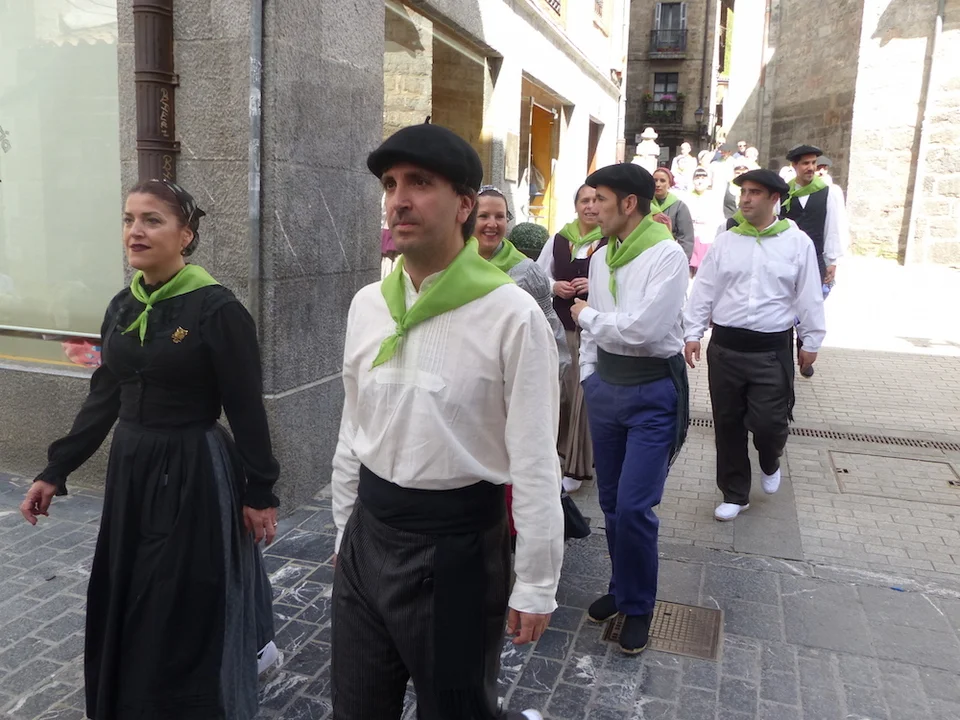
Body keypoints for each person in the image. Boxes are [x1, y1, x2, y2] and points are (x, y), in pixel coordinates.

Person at [19, 179, 279, 720]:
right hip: (133, 466)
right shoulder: (123, 305)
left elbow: (245, 407)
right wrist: (56, 469)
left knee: (185, 595)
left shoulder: (217, 309)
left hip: (193, 467)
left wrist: (260, 491)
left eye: (152, 220)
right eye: (129, 219)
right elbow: (104, 394)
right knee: (134, 587)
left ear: (185, 235)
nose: (135, 231)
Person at [330, 123, 563, 720]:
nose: (398, 199)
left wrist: (537, 581)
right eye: (390, 184)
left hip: (457, 548)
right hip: (368, 535)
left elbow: (536, 456)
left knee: (457, 711)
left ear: (464, 205)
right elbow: (354, 425)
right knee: (356, 707)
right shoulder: (368, 304)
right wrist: (343, 528)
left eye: (419, 183)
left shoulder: (510, 314)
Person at [570, 163, 690, 655]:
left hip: (652, 393)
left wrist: (586, 316)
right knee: (611, 502)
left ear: (629, 203)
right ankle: (622, 587)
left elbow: (643, 331)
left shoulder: (667, 256)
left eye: (600, 198)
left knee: (636, 506)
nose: (592, 208)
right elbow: (600, 337)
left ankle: (639, 606)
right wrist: (589, 377)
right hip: (606, 389)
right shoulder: (601, 258)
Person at [683, 169, 825, 522]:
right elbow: (704, 288)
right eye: (743, 191)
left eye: (754, 192)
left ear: (774, 198)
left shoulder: (797, 243)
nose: (745, 199)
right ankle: (735, 493)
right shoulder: (727, 240)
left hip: (771, 348)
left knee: (769, 423)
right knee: (727, 422)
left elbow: (808, 294)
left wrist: (811, 338)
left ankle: (770, 456)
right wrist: (692, 332)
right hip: (726, 347)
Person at [536, 185, 607, 494]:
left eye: (596, 200)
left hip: (593, 331)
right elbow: (538, 275)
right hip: (561, 328)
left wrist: (594, 283)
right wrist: (555, 287)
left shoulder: (610, 241)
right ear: (576, 205)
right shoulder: (558, 239)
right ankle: (558, 454)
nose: (590, 206)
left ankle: (578, 465)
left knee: (583, 398)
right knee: (561, 395)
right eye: (584, 200)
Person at [476, 185, 570, 381]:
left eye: (499, 216)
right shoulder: (453, 265)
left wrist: (551, 379)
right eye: (483, 216)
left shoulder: (526, 271)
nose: (492, 224)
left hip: (513, 375)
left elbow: (549, 330)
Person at [781, 144, 848, 377]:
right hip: (787, 257)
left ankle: (806, 350)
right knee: (785, 304)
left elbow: (833, 227)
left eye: (813, 163)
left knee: (810, 304)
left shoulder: (828, 192)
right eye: (805, 164)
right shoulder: (784, 193)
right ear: (795, 166)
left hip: (816, 257)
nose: (810, 168)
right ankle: (784, 357)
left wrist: (832, 260)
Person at [685, 167, 723, 276]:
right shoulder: (686, 196)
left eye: (703, 178)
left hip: (707, 236)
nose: (700, 181)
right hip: (691, 236)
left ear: (709, 181)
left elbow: (718, 219)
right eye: (697, 178)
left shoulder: (714, 197)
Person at [651, 167, 694, 260]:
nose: (658, 184)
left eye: (662, 181)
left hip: (668, 255)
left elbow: (686, 238)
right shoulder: (645, 203)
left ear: (669, 184)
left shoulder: (679, 206)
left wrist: (682, 260)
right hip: (647, 253)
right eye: (655, 180)